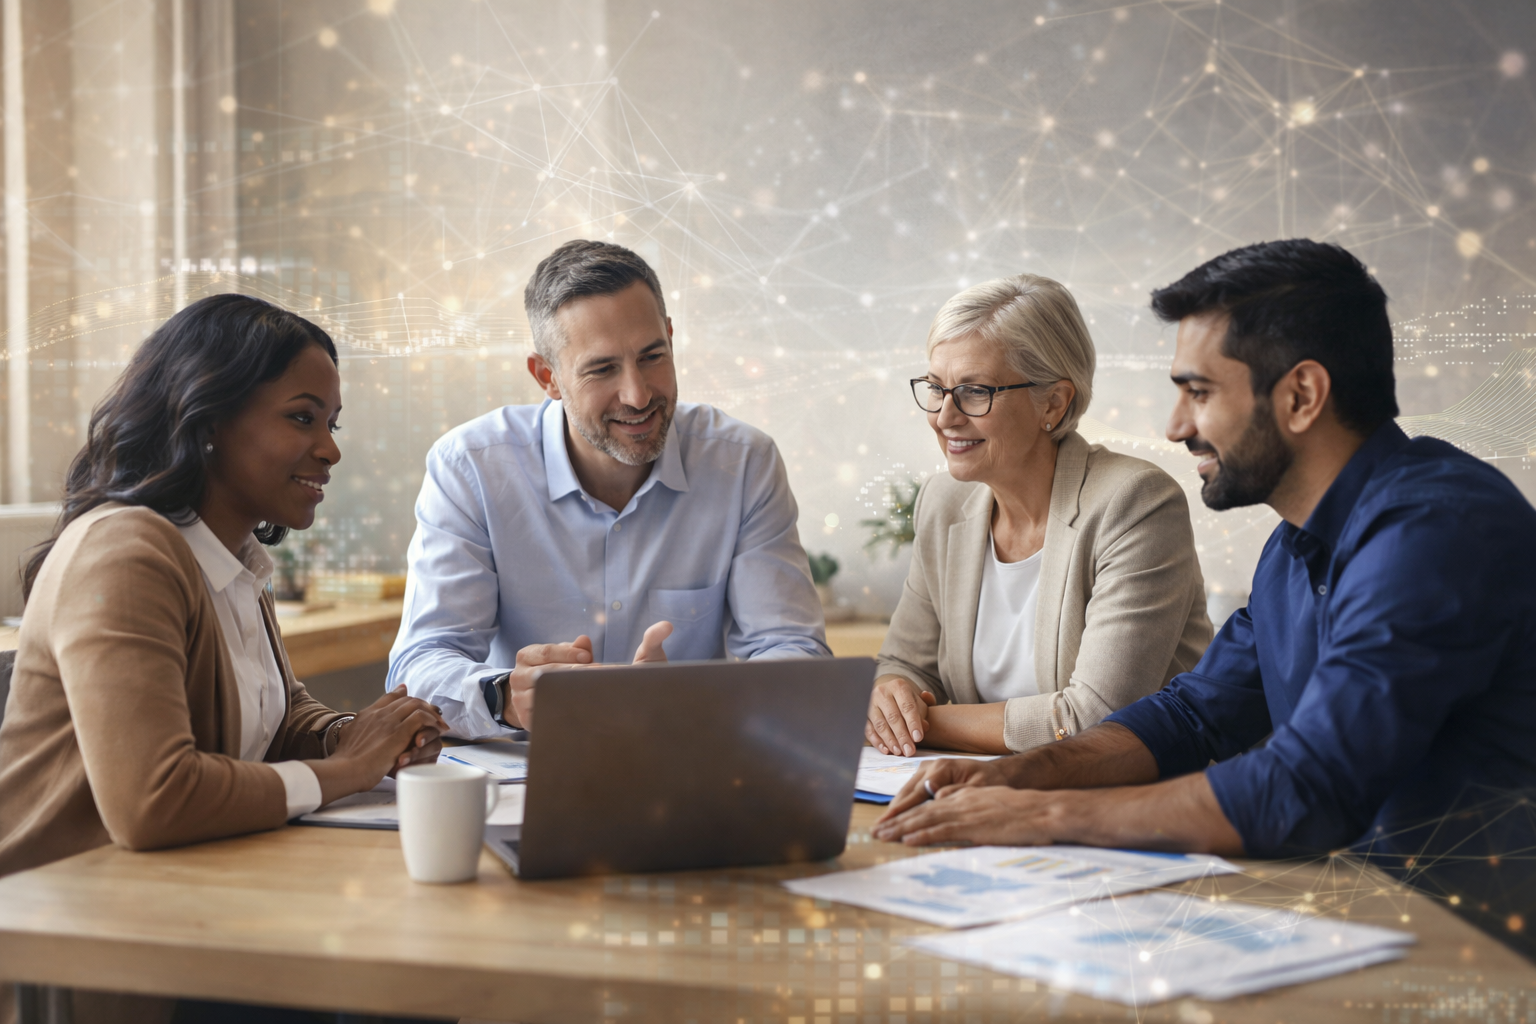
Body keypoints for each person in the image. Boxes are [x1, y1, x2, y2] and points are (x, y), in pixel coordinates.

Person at [873, 241, 1536, 952]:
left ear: (1301, 396)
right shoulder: (1294, 546)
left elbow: (1308, 786)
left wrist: (1043, 814)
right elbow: (1191, 716)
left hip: (1483, 948)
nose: (1176, 427)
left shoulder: (1434, 530)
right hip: (1368, 917)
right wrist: (1019, 777)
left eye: (1199, 393)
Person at [0, 294, 447, 883]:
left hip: (173, 888)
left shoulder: (234, 559)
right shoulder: (125, 551)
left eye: (331, 424)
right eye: (302, 418)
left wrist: (358, 736)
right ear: (209, 418)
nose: (331, 450)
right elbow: (153, 801)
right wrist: (350, 769)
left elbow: (275, 722)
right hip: (58, 908)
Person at [390, 240, 829, 738]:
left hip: (688, 756)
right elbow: (419, 667)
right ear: (547, 377)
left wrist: (691, 699)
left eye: (652, 356)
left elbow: (794, 652)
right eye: (602, 369)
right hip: (526, 767)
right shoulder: (470, 468)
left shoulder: (743, 464)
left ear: (670, 338)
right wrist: (506, 697)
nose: (637, 395)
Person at [867, 274, 1211, 757]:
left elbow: (1094, 720)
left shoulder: (1136, 502)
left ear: (1053, 402)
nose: (944, 417)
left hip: (1128, 792)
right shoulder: (943, 501)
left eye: (974, 391)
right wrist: (891, 696)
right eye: (936, 388)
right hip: (987, 787)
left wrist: (925, 723)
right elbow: (904, 665)